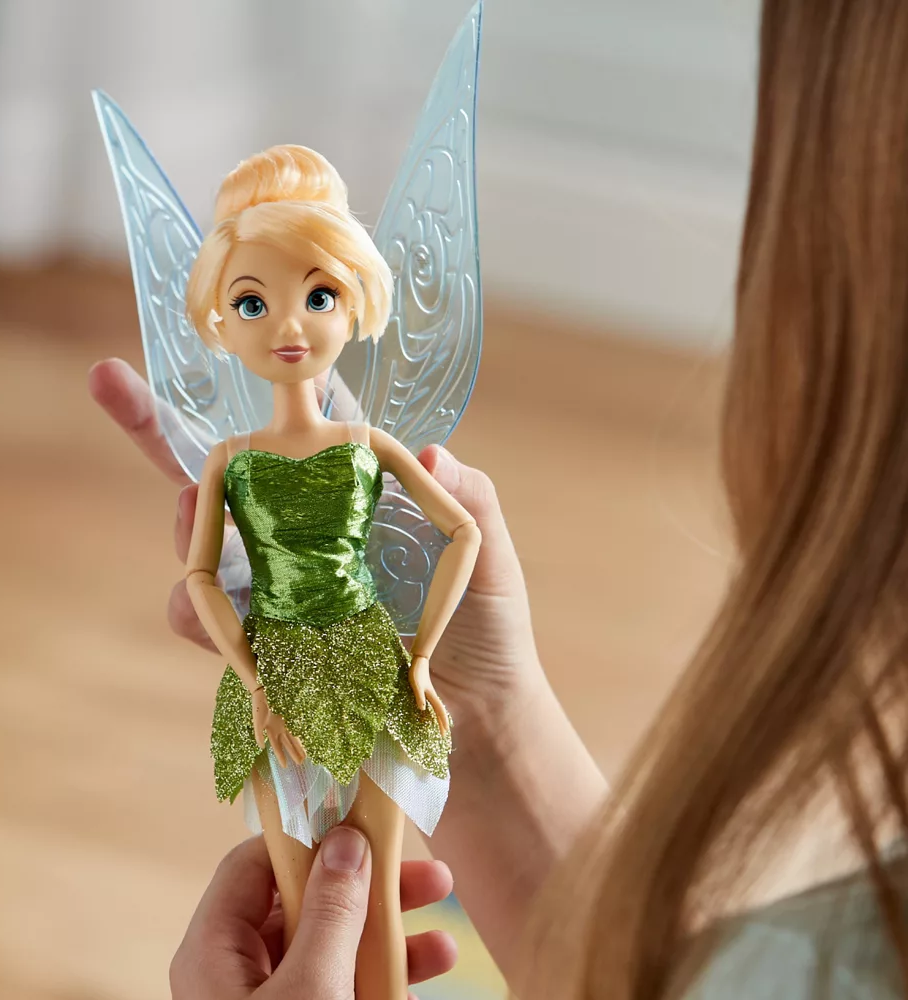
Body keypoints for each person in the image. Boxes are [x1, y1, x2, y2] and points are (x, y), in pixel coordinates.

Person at [90, 0, 908, 995]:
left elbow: (458, 530)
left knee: (362, 870)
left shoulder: (361, 448)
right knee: (306, 872)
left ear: (356, 299)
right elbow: (208, 576)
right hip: (288, 672)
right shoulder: (237, 458)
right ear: (221, 318)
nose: (289, 325)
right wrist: (271, 672)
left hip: (368, 660)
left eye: (319, 294)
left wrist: (421, 653)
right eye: (254, 302)